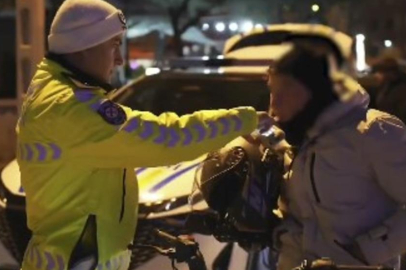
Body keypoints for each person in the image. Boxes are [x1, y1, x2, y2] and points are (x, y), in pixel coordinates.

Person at [16, 1, 271, 270]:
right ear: (85, 45)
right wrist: (246, 120)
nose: (119, 59)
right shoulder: (72, 108)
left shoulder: (53, 91)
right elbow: (166, 137)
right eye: (114, 45)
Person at [267, 44, 406, 270]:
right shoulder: (293, 139)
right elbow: (299, 218)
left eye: (283, 92)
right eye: (272, 90)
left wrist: (368, 250)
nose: (273, 105)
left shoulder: (374, 132)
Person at [371, 57, 406, 123]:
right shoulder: (384, 87)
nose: (376, 75)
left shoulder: (400, 90)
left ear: (388, 73)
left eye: (379, 72)